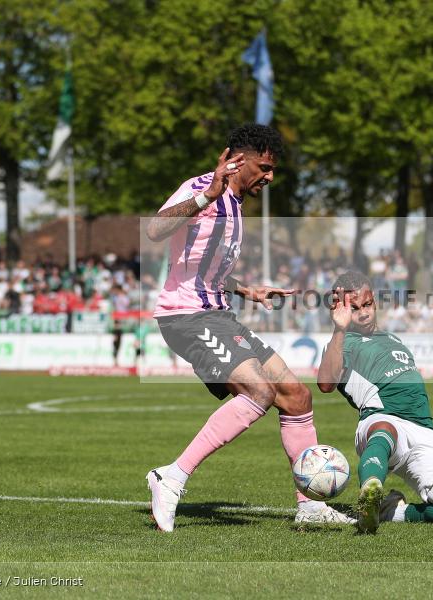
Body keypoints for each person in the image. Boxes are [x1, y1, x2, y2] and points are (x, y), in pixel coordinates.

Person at [144, 123, 353, 532]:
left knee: (296, 396)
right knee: (259, 390)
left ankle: (309, 505)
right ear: (238, 160)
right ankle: (171, 478)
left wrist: (245, 289)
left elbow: (202, 268)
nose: (270, 176)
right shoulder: (204, 187)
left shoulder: (236, 204)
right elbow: (155, 229)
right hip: (186, 316)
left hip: (218, 313)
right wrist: (206, 194)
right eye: (265, 166)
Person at [316, 270, 433, 534]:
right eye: (354, 308)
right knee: (385, 429)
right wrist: (339, 329)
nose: (363, 312)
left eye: (367, 304)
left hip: (424, 431)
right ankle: (370, 490)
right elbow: (325, 384)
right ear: (340, 309)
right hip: (380, 421)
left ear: (375, 301)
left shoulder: (393, 339)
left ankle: (392, 511)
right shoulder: (343, 343)